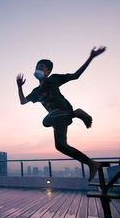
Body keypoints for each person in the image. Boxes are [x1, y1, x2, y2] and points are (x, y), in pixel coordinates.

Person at [16, 46, 106, 181]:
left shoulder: (53, 79)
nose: (38, 70)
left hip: (63, 111)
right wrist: (19, 86)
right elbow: (23, 101)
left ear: (48, 71)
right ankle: (91, 163)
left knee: (45, 122)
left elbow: (75, 76)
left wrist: (91, 57)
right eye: (37, 67)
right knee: (60, 146)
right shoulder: (36, 92)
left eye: (42, 67)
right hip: (58, 119)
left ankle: (76, 113)